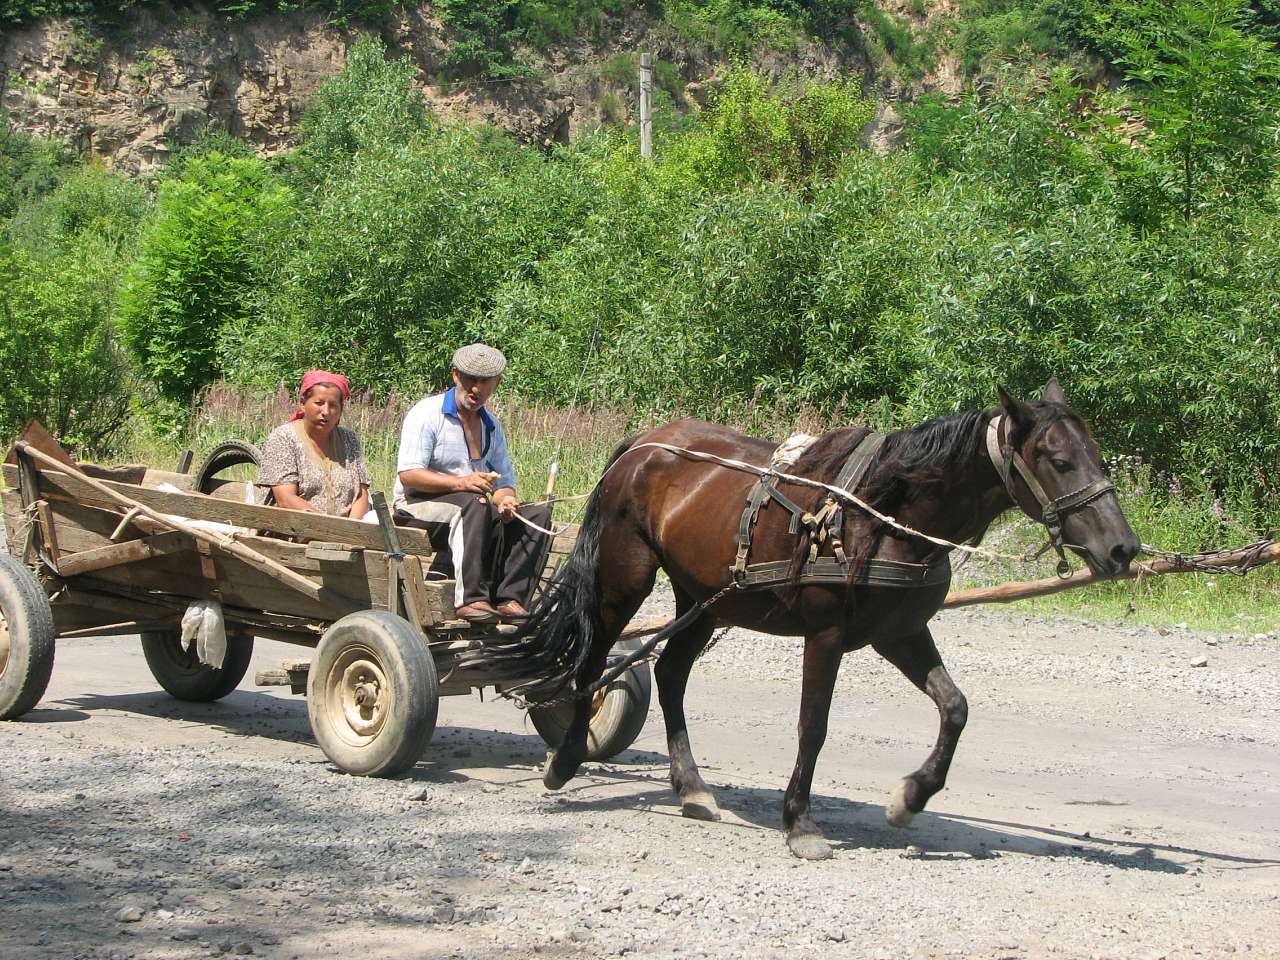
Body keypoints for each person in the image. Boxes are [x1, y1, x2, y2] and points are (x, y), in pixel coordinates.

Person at [393, 344, 551, 624]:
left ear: (496, 383)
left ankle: (510, 598)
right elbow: (410, 475)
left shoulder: (491, 426)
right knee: (474, 502)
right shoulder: (428, 414)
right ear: (455, 376)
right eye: (470, 380)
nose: (476, 389)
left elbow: (503, 482)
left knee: (537, 514)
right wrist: (462, 482)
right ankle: (470, 599)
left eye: (485, 382)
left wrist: (505, 501)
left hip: (470, 512)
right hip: (417, 507)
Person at [257, 369, 371, 519]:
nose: (326, 411)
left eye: (333, 405)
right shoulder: (283, 438)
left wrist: (350, 530)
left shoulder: (350, 439)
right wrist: (328, 530)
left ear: (340, 410)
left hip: (346, 533)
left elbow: (361, 494)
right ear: (303, 404)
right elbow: (285, 499)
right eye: (319, 403)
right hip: (295, 531)